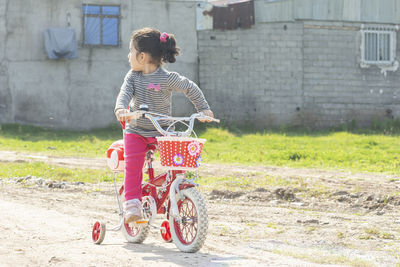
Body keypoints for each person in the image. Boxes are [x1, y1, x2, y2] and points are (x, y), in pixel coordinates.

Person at [114, 28, 214, 223]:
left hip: (163, 131)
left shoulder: (168, 78)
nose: (128, 56)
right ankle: (132, 203)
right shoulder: (133, 77)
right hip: (137, 131)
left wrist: (204, 109)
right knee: (133, 166)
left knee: (178, 161)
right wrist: (121, 109)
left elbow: (189, 87)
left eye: (131, 51)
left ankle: (175, 193)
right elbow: (125, 94)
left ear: (141, 56)